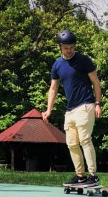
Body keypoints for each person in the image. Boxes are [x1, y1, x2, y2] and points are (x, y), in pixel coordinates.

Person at [42, 30, 103, 185]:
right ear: (60, 47)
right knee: (71, 143)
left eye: (71, 47)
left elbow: (96, 82)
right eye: (66, 47)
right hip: (70, 110)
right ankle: (80, 176)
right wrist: (49, 109)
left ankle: (93, 175)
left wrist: (98, 104)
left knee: (85, 139)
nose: (69, 50)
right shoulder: (57, 65)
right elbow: (53, 88)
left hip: (86, 105)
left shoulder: (84, 60)